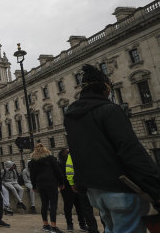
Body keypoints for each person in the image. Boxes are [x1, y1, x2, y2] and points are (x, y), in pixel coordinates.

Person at [64, 64, 160, 233]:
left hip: (96, 192)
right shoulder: (109, 110)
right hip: (121, 189)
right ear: (104, 87)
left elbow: (78, 154)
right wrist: (155, 187)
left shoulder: (71, 117)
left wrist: (80, 183)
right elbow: (131, 151)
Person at [29, 143, 64, 233]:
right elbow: (57, 171)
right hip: (51, 183)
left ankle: (46, 225)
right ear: (44, 149)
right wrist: (61, 183)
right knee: (53, 204)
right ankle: (54, 227)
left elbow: (32, 175)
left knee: (44, 204)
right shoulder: (50, 158)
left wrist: (34, 186)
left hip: (40, 184)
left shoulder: (33, 161)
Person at [65, 153, 99, 233]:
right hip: (96, 180)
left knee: (87, 208)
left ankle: (93, 229)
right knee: (103, 208)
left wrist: (71, 182)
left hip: (81, 181)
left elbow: (69, 169)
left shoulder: (73, 150)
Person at [57, 148, 85, 232]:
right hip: (66, 188)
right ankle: (69, 225)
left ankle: (82, 224)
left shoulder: (73, 160)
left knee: (80, 206)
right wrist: (62, 184)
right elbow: (59, 175)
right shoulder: (60, 163)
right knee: (68, 207)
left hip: (76, 186)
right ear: (62, 154)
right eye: (67, 152)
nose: (69, 153)